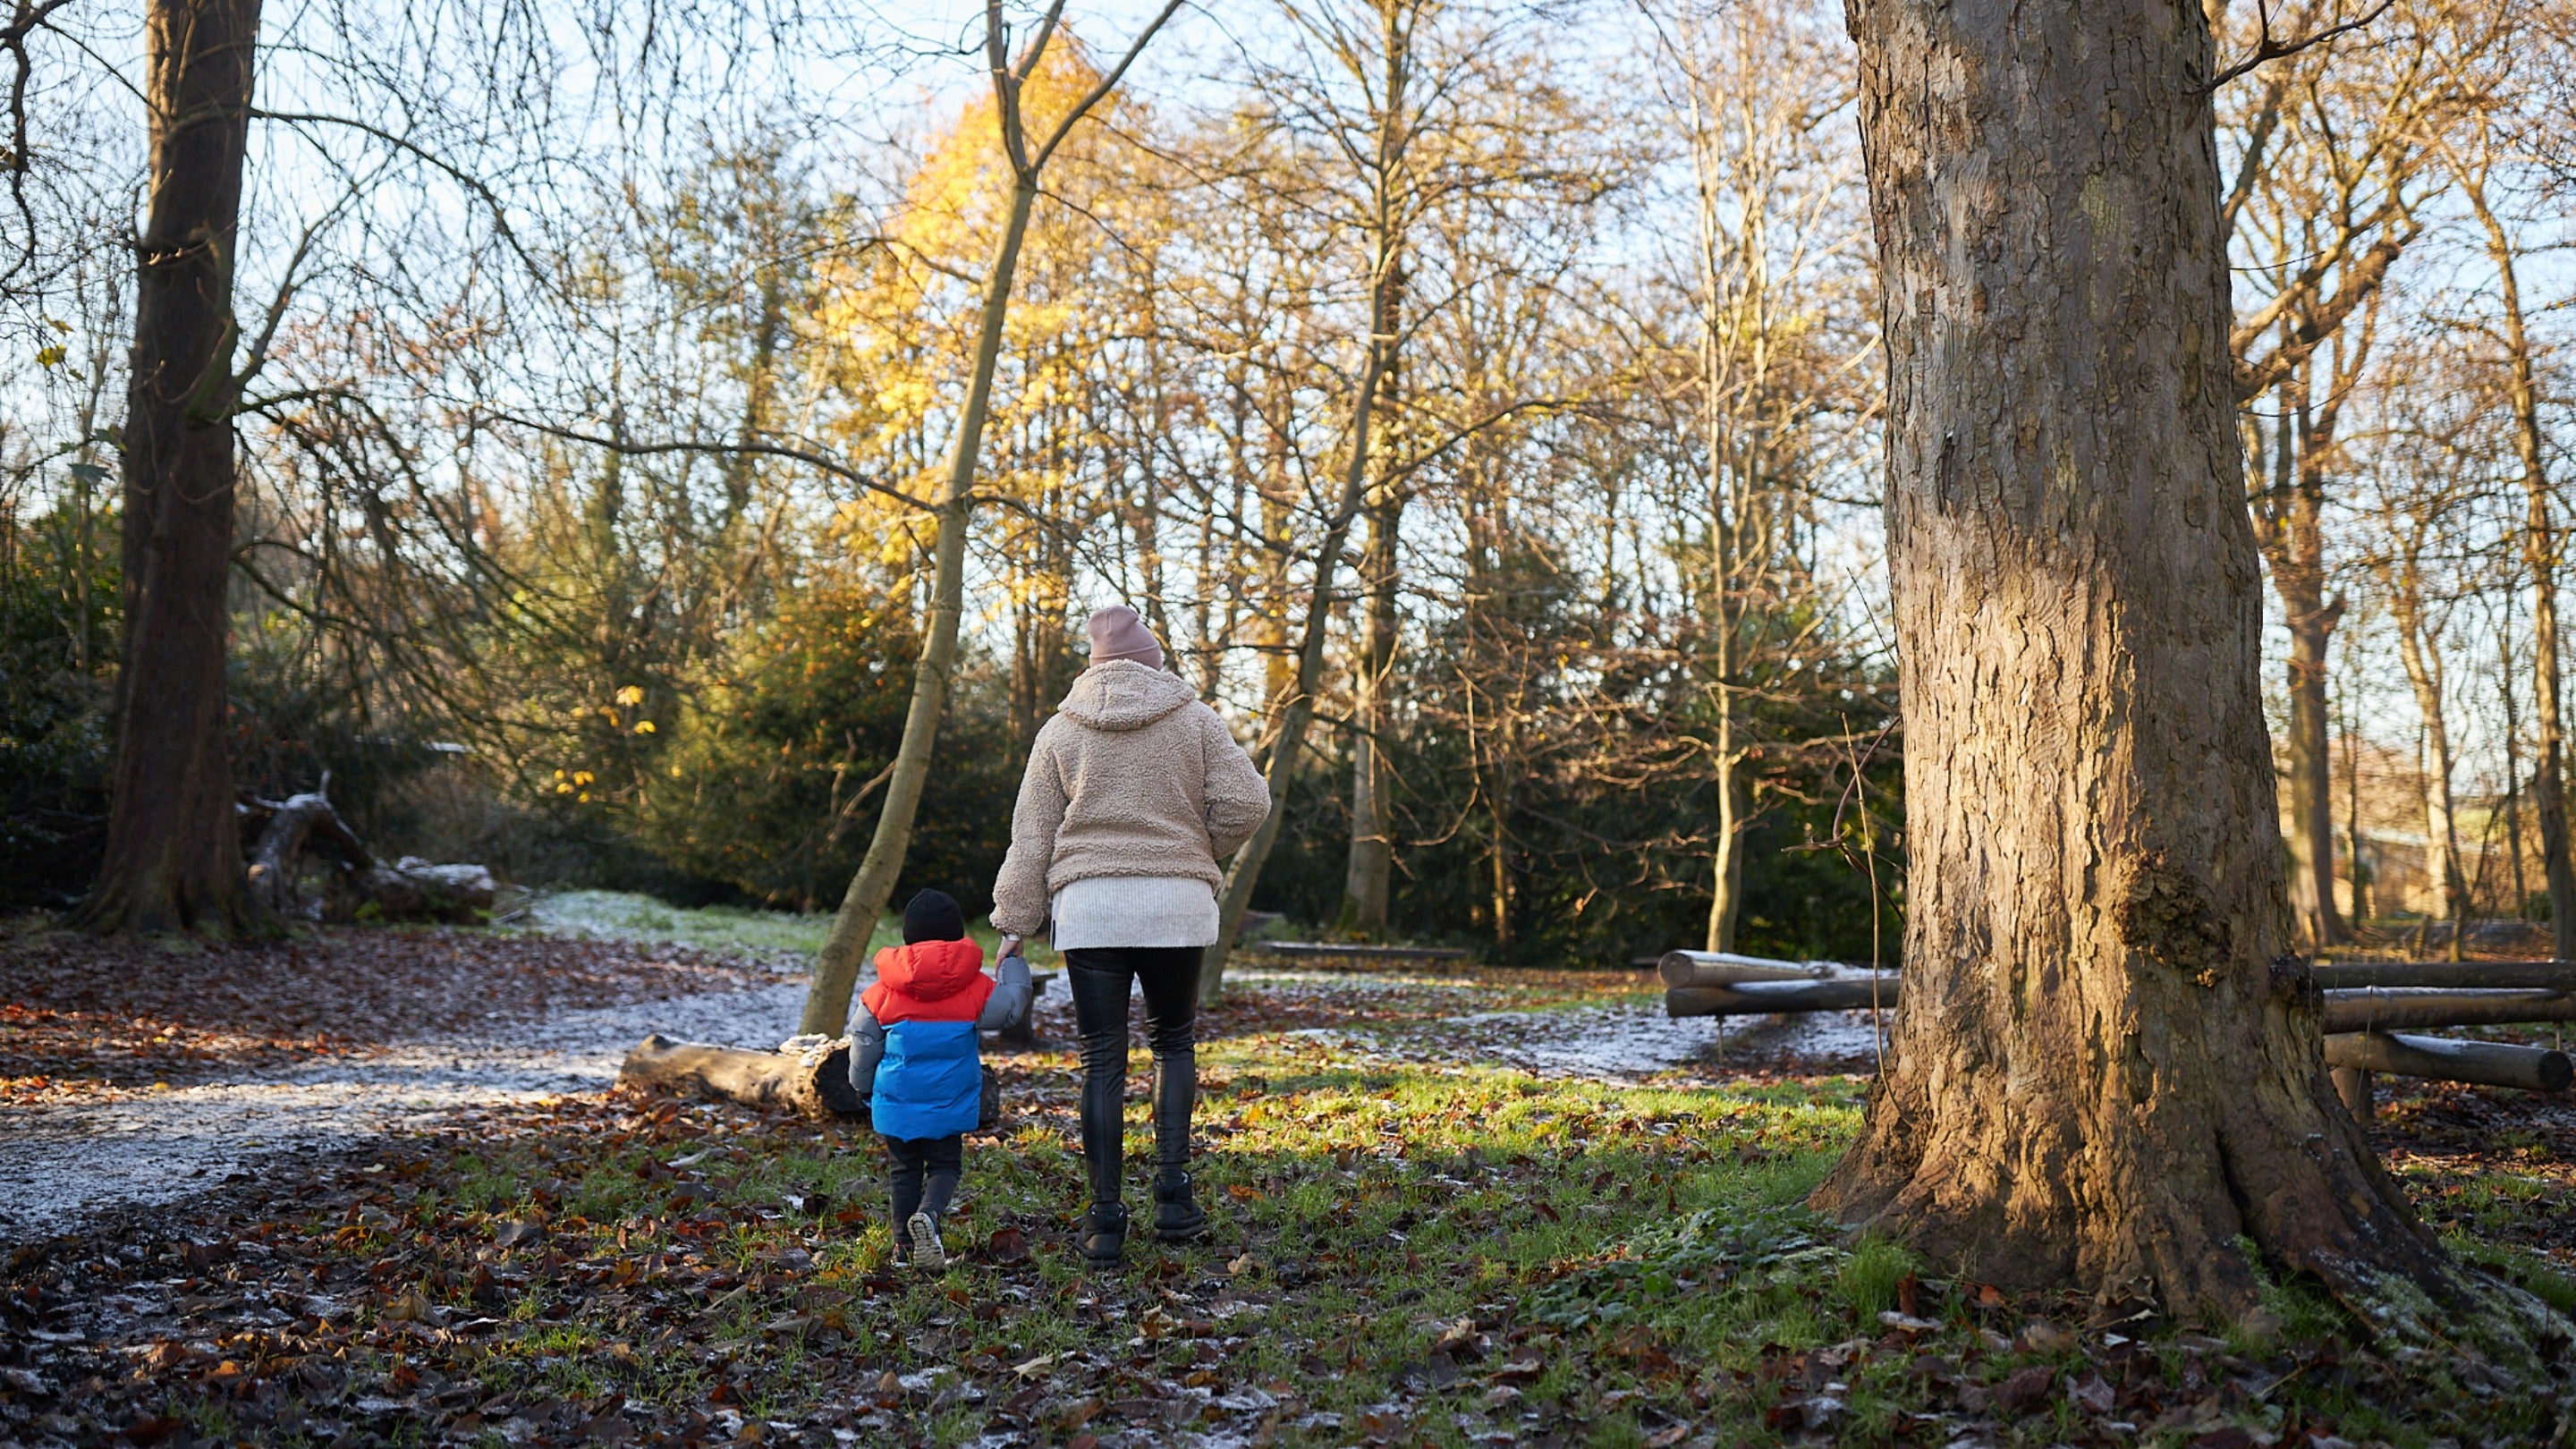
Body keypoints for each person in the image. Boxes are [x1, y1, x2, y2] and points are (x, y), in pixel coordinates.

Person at [989, 605, 1271, 1269]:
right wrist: (1199, 851)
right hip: (1177, 906)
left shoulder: (1059, 731)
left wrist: (1012, 922)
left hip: (1090, 909)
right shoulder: (1195, 720)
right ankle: (1173, 1197)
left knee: (1101, 1061)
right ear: (1153, 663)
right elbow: (1249, 802)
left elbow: (1032, 838)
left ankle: (1104, 1221)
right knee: (1173, 1043)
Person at [848, 888, 1032, 1270]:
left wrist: (862, 1086)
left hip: (897, 1099)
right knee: (945, 1166)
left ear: (907, 936)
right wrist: (1014, 964)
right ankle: (929, 1216)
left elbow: (864, 1043)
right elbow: (1011, 1009)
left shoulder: (882, 991)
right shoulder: (975, 987)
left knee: (904, 1170)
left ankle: (901, 1246)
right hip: (950, 1099)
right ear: (957, 935)